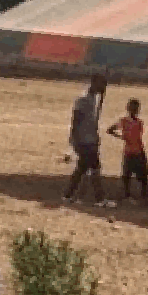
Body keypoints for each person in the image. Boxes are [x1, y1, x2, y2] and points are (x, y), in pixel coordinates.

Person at [63, 74, 115, 208]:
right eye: (101, 84)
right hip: (84, 141)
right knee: (95, 168)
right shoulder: (83, 99)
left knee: (81, 169)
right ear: (94, 82)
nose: (103, 87)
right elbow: (76, 119)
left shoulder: (93, 100)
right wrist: (74, 138)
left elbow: (91, 121)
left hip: (90, 139)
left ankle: (68, 195)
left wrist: (95, 134)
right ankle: (100, 198)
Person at [107, 98, 148, 202]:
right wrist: (121, 137)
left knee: (142, 174)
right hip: (130, 151)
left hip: (138, 150)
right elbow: (110, 130)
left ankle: (142, 195)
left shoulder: (139, 122)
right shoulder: (124, 121)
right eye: (132, 108)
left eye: (135, 108)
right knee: (127, 174)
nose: (134, 110)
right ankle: (127, 195)